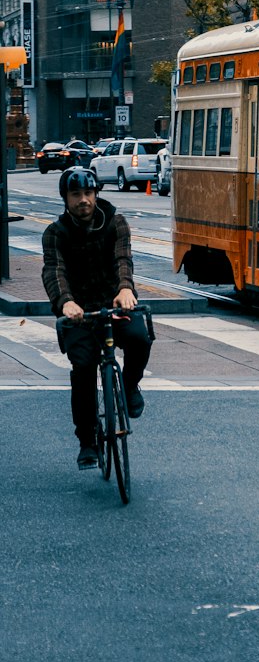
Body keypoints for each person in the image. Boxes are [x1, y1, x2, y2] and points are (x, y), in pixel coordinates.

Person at [42, 167, 152, 470]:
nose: (83, 200)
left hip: (115, 304)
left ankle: (130, 386)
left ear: (96, 195)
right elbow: (54, 271)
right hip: (79, 313)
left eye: (88, 193)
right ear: (66, 198)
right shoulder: (55, 233)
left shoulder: (116, 223)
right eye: (76, 194)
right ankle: (87, 442)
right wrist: (66, 303)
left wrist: (125, 289)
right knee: (83, 369)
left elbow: (123, 259)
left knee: (140, 339)